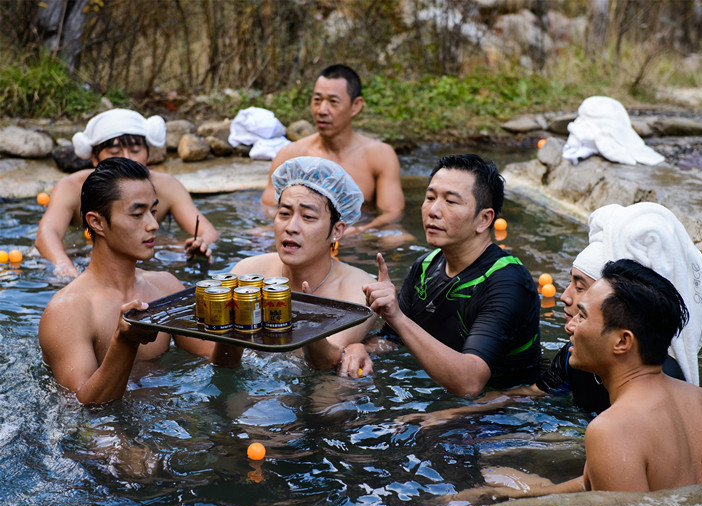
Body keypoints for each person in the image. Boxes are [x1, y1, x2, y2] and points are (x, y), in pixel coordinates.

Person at [455, 259, 702, 500]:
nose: (570, 326)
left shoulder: (611, 430)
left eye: (582, 316)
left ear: (622, 342)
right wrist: (522, 492)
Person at [398, 202, 702, 425]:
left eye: (581, 287)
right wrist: (449, 416)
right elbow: (530, 393)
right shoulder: (576, 358)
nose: (565, 297)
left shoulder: (660, 384)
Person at [38, 157, 215, 405]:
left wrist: (240, 328)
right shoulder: (68, 311)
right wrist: (124, 341)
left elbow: (215, 359)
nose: (153, 225)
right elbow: (82, 408)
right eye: (137, 214)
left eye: (153, 211)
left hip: (162, 411)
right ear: (97, 222)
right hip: (103, 433)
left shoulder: (166, 286)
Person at [362, 154, 542, 397]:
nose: (433, 211)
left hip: (504, 412)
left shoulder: (506, 281)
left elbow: (470, 384)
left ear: (484, 219)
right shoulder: (425, 267)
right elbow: (392, 339)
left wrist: (398, 317)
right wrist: (358, 350)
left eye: (451, 201)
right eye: (430, 197)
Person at [211, 156, 377, 376]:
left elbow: (328, 362)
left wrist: (310, 323)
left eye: (308, 217)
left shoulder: (359, 290)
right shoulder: (246, 273)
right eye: (284, 214)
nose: (291, 227)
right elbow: (219, 365)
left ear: (337, 230)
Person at [35, 108, 218, 277]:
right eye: (115, 151)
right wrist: (64, 267)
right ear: (94, 157)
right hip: (86, 253)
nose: (127, 158)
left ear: (148, 153)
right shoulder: (71, 187)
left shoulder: (167, 186)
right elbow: (47, 233)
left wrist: (201, 244)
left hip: (148, 253)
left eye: (136, 150)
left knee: (177, 245)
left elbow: (207, 230)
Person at [260, 64, 403, 236]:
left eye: (333, 102)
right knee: (259, 234)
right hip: (303, 234)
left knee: (395, 238)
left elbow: (392, 213)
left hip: (355, 237)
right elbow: (268, 208)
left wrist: (360, 230)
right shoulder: (291, 154)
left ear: (356, 106)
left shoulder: (380, 155)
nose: (322, 110)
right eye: (317, 100)